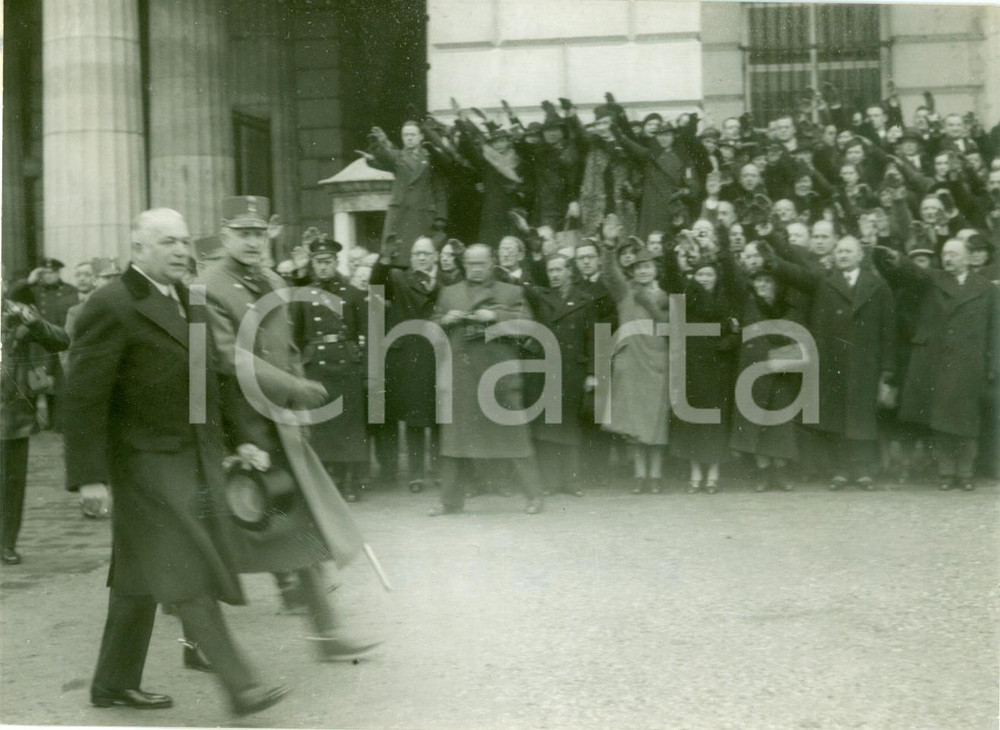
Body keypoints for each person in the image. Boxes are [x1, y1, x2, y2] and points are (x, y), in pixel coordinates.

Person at [62, 208, 287, 716]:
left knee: (140, 577)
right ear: (138, 248)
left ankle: (113, 682)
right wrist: (91, 478)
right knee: (186, 569)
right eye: (167, 242)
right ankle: (241, 685)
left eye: (185, 242)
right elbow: (83, 397)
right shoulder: (112, 304)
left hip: (194, 458)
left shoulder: (190, 300)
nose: (182, 252)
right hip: (144, 465)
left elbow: (210, 381)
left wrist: (236, 441)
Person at [199, 196, 382, 662]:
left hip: (275, 425)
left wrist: (296, 401)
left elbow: (289, 346)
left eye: (258, 233)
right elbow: (228, 358)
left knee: (299, 532)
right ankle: (195, 640)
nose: (251, 241)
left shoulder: (274, 280)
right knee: (214, 540)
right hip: (231, 429)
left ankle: (328, 634)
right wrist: (294, 388)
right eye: (242, 233)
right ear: (224, 236)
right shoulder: (209, 287)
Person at [771, 235, 897, 490]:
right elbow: (818, 326)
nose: (843, 255)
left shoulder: (878, 286)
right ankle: (840, 470)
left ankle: (862, 471)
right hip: (834, 362)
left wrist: (887, 369)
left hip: (866, 364)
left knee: (863, 419)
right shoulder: (826, 285)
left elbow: (888, 331)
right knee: (837, 418)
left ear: (861, 255)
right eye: (839, 251)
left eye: (849, 251)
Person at [429, 244, 545, 515]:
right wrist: (445, 319)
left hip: (498, 377)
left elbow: (527, 324)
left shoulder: (511, 291)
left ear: (492, 263)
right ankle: (450, 501)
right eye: (470, 264)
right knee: (454, 442)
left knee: (515, 439)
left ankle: (534, 496)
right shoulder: (449, 293)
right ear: (464, 265)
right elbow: (432, 327)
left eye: (481, 263)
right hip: (461, 377)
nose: (476, 269)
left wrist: (495, 316)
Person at [874, 239, 998, 490]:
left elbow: (995, 331)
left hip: (971, 364)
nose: (948, 258)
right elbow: (911, 272)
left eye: (954, 254)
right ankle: (946, 471)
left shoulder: (988, 289)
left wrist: (994, 364)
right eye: (945, 254)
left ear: (967, 258)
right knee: (941, 421)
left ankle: (965, 472)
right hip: (939, 362)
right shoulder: (934, 280)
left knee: (968, 422)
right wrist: (896, 259)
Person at [292, 235, 369, 502]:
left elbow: (366, 333)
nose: (323, 267)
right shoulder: (302, 297)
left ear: (336, 262)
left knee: (349, 425)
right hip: (317, 366)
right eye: (318, 262)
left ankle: (350, 480)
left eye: (327, 261)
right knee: (322, 424)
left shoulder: (353, 294)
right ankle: (329, 480)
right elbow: (298, 337)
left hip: (346, 364)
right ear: (312, 264)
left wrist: (365, 368)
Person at [661, 236, 740, 493]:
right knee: (692, 419)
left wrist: (727, 342)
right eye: (700, 274)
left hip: (718, 366)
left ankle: (713, 471)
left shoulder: (725, 299)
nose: (705, 278)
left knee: (715, 420)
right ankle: (695, 470)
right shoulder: (688, 295)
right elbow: (672, 280)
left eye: (709, 274)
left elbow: (734, 329)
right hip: (692, 365)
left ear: (716, 277)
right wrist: (671, 254)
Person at [598, 217, 670, 494]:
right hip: (633, 365)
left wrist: (651, 305)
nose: (642, 271)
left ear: (656, 269)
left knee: (656, 423)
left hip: (658, 363)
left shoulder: (665, 296)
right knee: (636, 425)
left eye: (648, 266)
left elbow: (670, 329)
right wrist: (608, 245)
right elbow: (608, 273)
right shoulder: (624, 292)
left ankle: (656, 475)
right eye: (638, 267)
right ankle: (641, 476)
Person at [1, 281, 69, 565]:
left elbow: (61, 341)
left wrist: (36, 323)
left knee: (11, 481)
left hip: (12, 413)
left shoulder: (20, 313)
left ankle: (6, 542)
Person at [371, 235, 443, 493]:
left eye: (426, 253)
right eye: (416, 254)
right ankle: (416, 474)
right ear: (410, 259)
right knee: (414, 417)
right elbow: (376, 284)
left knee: (438, 416)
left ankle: (438, 471)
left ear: (435, 256)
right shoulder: (399, 278)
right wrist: (384, 258)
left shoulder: (445, 282)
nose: (421, 258)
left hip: (436, 356)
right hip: (408, 359)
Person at [522, 254, 597, 496]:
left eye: (558, 270)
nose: (554, 275)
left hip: (573, 370)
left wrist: (593, 372)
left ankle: (572, 483)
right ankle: (552, 483)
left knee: (571, 427)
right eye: (550, 270)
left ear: (569, 272)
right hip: (546, 368)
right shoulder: (540, 297)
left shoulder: (585, 300)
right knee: (547, 427)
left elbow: (594, 338)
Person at [368, 121, 450, 261]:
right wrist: (378, 143)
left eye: (412, 134)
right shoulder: (397, 157)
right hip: (400, 214)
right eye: (405, 135)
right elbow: (384, 155)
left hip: (423, 214)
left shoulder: (430, 158)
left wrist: (441, 217)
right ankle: (380, 284)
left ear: (421, 137)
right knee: (391, 257)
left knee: (420, 255)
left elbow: (439, 190)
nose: (409, 138)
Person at [27, 257, 77, 430]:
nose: (48, 276)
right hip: (36, 345)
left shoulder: (70, 291)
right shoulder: (32, 291)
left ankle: (58, 423)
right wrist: (30, 280)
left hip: (57, 341)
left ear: (58, 273)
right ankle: (30, 423)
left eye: (52, 273)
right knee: (32, 383)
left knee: (58, 385)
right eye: (45, 273)